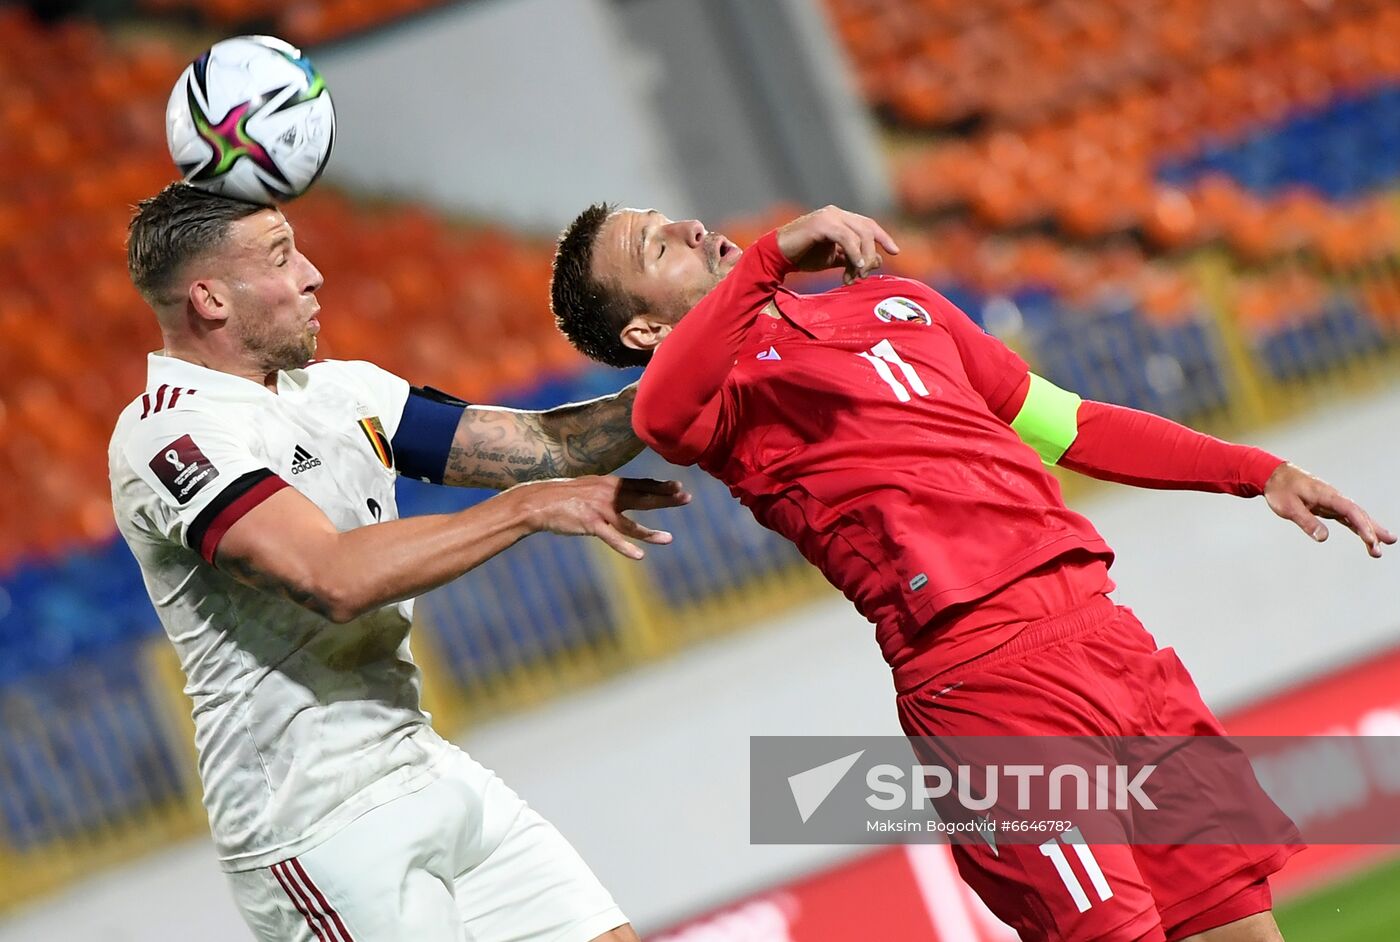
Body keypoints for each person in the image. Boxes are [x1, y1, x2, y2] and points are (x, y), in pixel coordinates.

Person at [549, 203, 1395, 942]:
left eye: (673, 221)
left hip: (1106, 635)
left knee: (1237, 926)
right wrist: (774, 252)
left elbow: (1071, 424)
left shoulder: (899, 302)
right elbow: (660, 410)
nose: (691, 229)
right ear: (646, 331)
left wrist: (1254, 470)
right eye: (659, 250)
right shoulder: (712, 403)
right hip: (986, 684)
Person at [109, 183, 687, 942]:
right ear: (211, 299)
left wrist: (712, 357)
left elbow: (551, 447)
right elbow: (332, 576)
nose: (313, 274)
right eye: (283, 258)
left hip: (422, 762)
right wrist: (530, 506)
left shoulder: (345, 392)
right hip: (317, 822)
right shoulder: (170, 436)